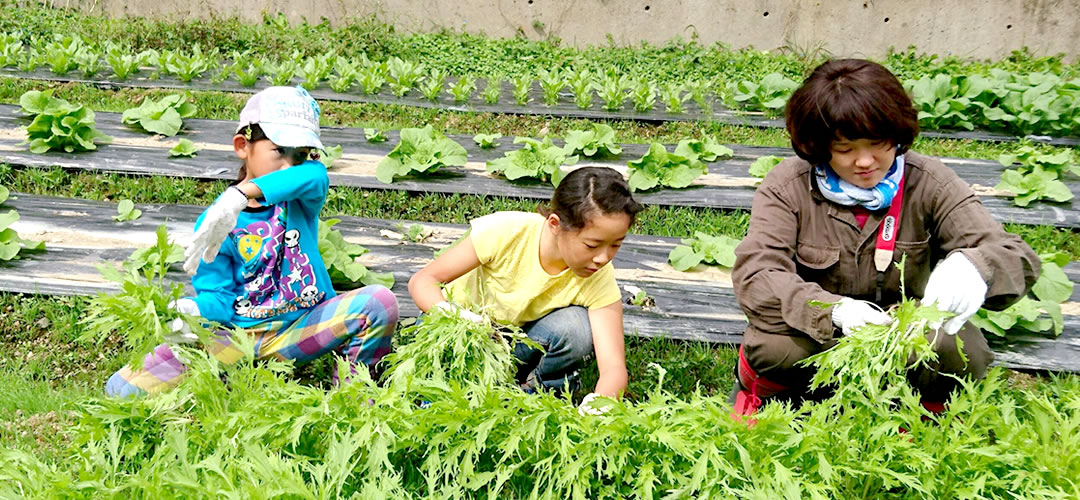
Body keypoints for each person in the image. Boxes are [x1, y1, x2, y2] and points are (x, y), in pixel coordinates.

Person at [729, 59, 1040, 418]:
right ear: (819, 146)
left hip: (906, 332)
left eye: (878, 143)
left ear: (897, 134)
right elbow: (758, 274)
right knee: (773, 348)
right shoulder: (787, 186)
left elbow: (1015, 255)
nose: (865, 161)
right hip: (823, 333)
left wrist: (976, 268)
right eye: (845, 148)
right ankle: (773, 398)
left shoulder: (930, 182)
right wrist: (834, 312)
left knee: (960, 350)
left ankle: (923, 412)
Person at [106, 86, 398, 397]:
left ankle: (354, 400)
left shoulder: (300, 196)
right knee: (122, 390)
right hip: (238, 338)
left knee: (378, 303)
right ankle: (235, 374)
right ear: (243, 146)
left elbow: (313, 175)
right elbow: (218, 301)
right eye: (279, 151)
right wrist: (190, 310)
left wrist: (241, 194)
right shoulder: (217, 222)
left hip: (298, 329)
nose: (289, 164)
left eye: (299, 155)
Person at [408, 166, 642, 411]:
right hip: (463, 338)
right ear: (555, 224)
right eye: (592, 245)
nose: (603, 258)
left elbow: (614, 367)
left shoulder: (598, 274)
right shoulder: (507, 232)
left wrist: (602, 401)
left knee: (576, 328)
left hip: (519, 347)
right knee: (440, 381)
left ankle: (534, 397)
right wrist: (454, 315)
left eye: (615, 245)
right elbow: (423, 281)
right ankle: (442, 392)